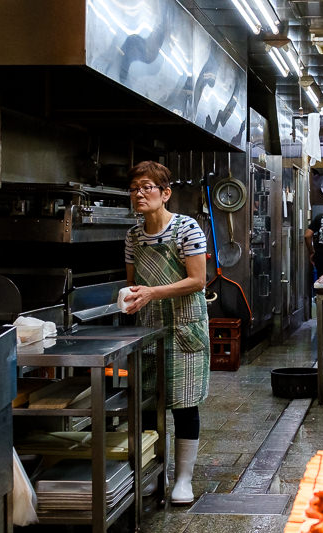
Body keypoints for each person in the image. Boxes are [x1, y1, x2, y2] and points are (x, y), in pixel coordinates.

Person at [122, 161, 209, 505]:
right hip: (149, 329)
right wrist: (130, 298)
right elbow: (132, 282)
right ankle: (154, 471)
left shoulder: (187, 228)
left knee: (184, 406)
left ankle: (184, 479)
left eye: (147, 187)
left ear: (165, 193)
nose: (139, 194)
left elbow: (198, 280)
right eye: (134, 189)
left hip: (184, 328)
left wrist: (152, 293)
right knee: (147, 405)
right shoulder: (133, 236)